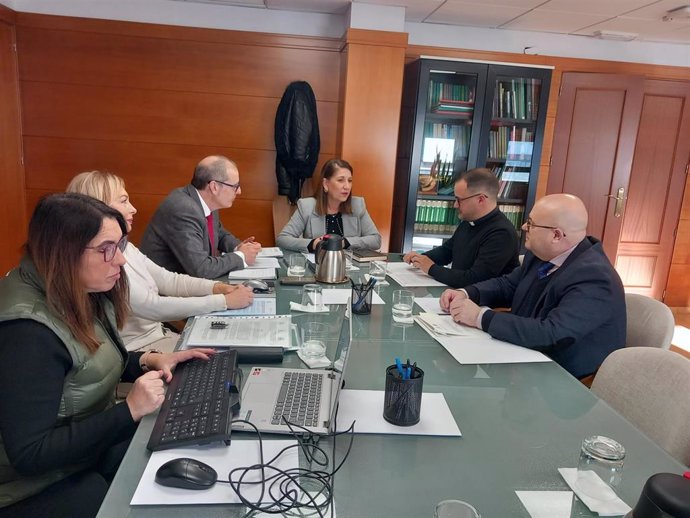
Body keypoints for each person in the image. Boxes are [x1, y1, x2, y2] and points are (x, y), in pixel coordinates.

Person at [0, 193, 214, 518]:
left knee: (170, 445)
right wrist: (129, 410)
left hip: (80, 452)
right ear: (65, 250)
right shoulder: (28, 333)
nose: (121, 261)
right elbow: (30, 455)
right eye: (106, 250)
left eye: (120, 246)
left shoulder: (75, 289)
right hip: (27, 486)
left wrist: (147, 360)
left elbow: (85, 364)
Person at [441, 193, 626, 379]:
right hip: (522, 356)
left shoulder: (594, 277)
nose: (523, 227)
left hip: (561, 379)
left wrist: (479, 317)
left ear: (556, 235)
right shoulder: (541, 254)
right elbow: (507, 285)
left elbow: (552, 333)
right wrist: (467, 293)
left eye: (530, 224)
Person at [67, 171, 254, 352]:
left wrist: (218, 288)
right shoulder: (101, 262)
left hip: (160, 335)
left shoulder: (126, 247)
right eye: (124, 201)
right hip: (139, 352)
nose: (133, 208)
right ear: (99, 208)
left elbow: (169, 280)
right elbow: (153, 306)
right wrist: (223, 301)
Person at [140, 155, 262, 279]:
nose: (239, 191)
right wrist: (241, 256)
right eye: (235, 186)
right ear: (214, 187)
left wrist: (238, 247)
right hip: (163, 290)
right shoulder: (183, 209)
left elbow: (219, 234)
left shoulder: (205, 202)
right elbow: (201, 269)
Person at [403, 168, 519, 288]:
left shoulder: (502, 233)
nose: (455, 205)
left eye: (459, 200)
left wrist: (431, 268)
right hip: (457, 293)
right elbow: (447, 252)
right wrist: (419, 258)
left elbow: (474, 279)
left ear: (480, 199)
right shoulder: (469, 221)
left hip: (482, 303)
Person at [276, 158, 382, 252]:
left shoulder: (357, 205)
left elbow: (376, 240)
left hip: (349, 268)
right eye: (341, 180)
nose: (347, 186)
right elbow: (283, 239)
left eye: (350, 181)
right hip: (318, 267)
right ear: (326, 184)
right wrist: (313, 244)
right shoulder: (306, 206)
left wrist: (345, 242)